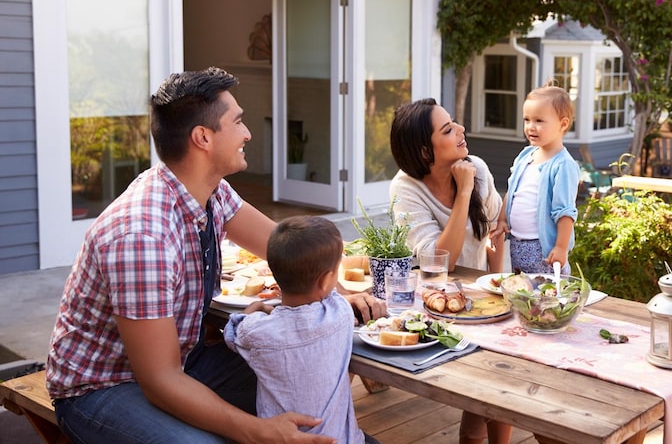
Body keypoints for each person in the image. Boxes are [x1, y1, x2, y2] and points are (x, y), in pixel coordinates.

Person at [46, 67, 385, 444]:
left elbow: (284, 246)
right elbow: (160, 380)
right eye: (238, 121)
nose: (248, 133)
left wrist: (332, 290)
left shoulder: (211, 192)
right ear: (203, 138)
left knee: (305, 374)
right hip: (103, 388)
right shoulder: (142, 236)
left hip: (185, 361)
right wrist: (259, 431)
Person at [388, 98, 512, 444]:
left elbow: (496, 234)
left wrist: (497, 289)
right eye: (448, 129)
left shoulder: (478, 168)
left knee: (498, 380)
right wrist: (464, 192)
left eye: (455, 123)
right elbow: (439, 260)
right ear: (425, 152)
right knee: (485, 392)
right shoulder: (405, 189)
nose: (461, 130)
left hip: (483, 299)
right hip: (435, 304)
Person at [224, 216, 380, 444]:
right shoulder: (340, 314)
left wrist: (256, 308)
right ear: (327, 280)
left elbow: (233, 332)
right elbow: (339, 300)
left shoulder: (256, 332)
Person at [492, 85, 579, 275]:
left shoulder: (563, 165)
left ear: (563, 124)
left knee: (546, 298)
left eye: (539, 121)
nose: (531, 126)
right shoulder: (526, 155)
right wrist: (502, 220)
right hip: (517, 244)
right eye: (527, 119)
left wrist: (561, 248)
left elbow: (565, 212)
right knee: (521, 295)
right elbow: (512, 189)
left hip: (543, 251)